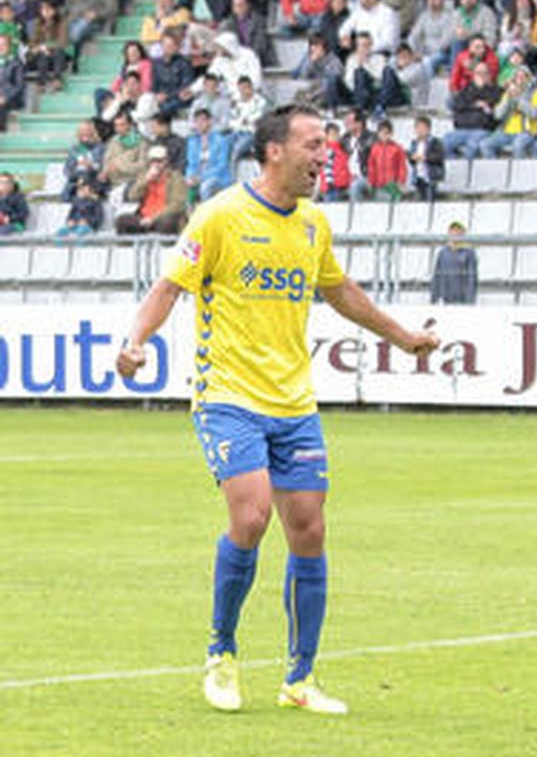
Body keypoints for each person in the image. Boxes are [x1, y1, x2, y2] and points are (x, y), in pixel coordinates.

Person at [115, 106, 438, 716]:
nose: (325, 155)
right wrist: (137, 340)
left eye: (327, 145)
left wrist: (401, 336)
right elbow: (168, 289)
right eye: (314, 144)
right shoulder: (220, 217)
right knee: (253, 514)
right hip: (228, 395)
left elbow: (340, 291)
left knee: (310, 529)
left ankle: (300, 678)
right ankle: (221, 652)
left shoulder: (314, 224)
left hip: (295, 401)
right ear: (273, 151)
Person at [114, 146, 189, 234]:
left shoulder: (175, 178)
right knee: (122, 221)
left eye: (159, 161)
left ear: (166, 161)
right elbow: (132, 196)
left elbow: (177, 205)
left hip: (161, 217)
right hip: (143, 217)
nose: (156, 164)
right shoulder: (144, 176)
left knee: (168, 221)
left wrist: (153, 219)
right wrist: (146, 181)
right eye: (153, 161)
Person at [430, 220, 479, 303]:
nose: (455, 234)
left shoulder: (469, 253)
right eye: (453, 231)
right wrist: (434, 298)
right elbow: (436, 276)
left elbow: (472, 279)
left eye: (458, 231)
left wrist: (470, 300)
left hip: (462, 298)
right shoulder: (443, 253)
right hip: (445, 297)